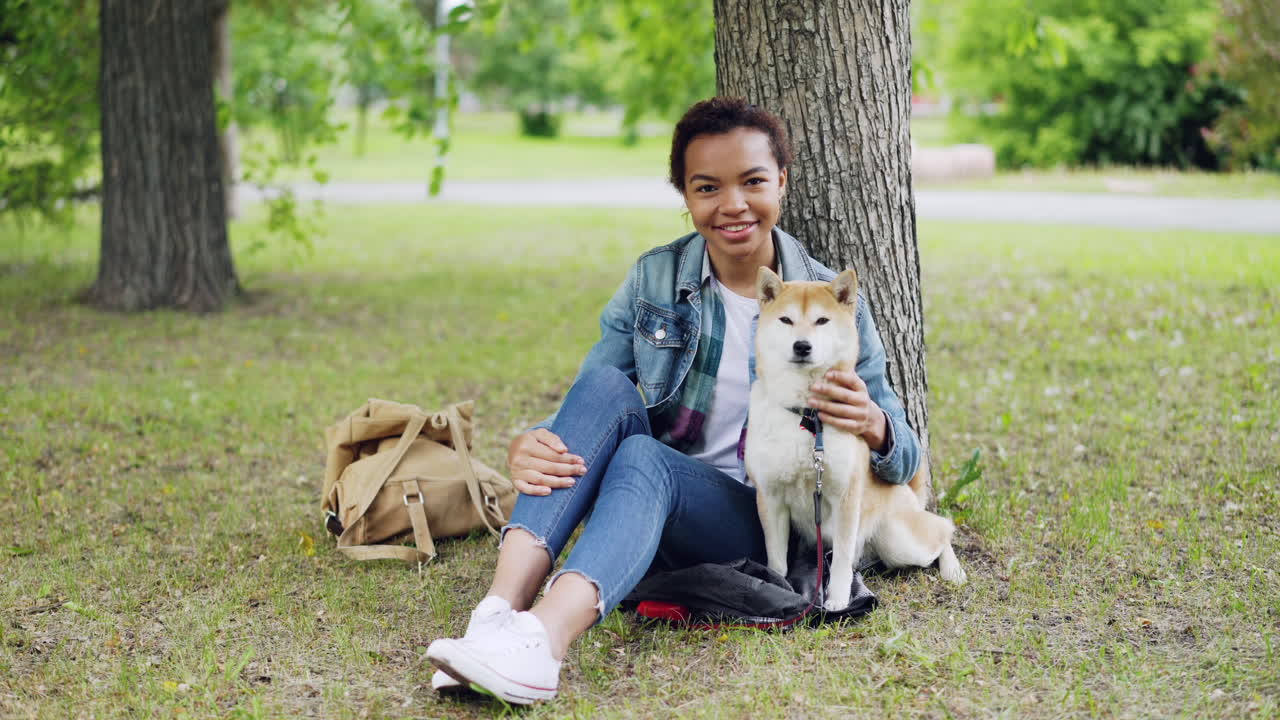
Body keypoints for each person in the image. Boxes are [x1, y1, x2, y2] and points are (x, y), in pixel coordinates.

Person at [426, 97, 923, 704]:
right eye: (707, 186)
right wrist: (530, 440)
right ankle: (495, 616)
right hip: (648, 505)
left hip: (759, 514)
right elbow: (592, 400)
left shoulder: (828, 303)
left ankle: (542, 643)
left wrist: (875, 425)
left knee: (643, 456)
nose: (733, 204)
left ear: (782, 182)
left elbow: (904, 450)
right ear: (685, 196)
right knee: (609, 391)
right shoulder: (655, 279)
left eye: (753, 182)